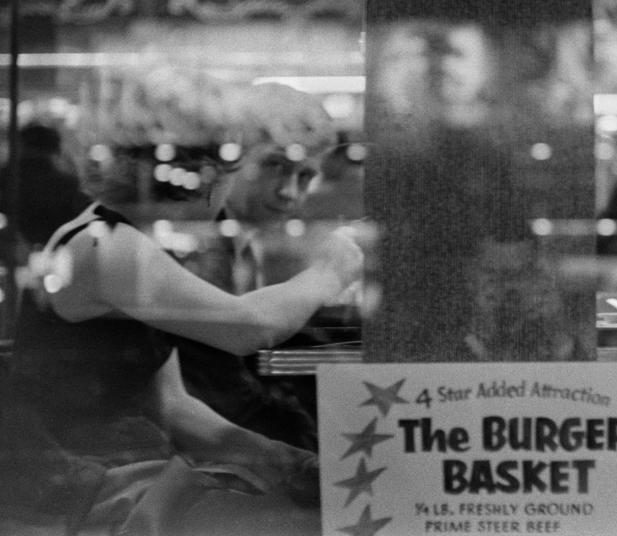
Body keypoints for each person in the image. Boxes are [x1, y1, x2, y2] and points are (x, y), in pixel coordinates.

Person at [0, 136, 363, 534]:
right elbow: (250, 327)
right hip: (73, 495)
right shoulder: (107, 245)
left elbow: (173, 408)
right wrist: (331, 270)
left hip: (113, 482)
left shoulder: (129, 239)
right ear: (207, 178)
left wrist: (289, 462)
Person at [172, 135, 333, 452]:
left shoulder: (248, 242)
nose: (288, 192)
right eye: (275, 166)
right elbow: (224, 391)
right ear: (230, 161)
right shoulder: (200, 249)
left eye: (304, 176)